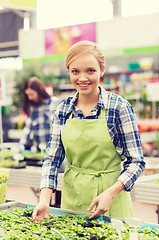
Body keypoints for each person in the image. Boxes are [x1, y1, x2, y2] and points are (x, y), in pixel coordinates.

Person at [32, 41, 145, 221]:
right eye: (75, 71)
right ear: (69, 72)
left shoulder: (119, 108)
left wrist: (111, 192)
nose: (82, 78)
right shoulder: (62, 111)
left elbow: (136, 162)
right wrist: (44, 199)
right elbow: (52, 159)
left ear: (101, 70)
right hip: (73, 198)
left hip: (112, 199)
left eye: (90, 71)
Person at [19, 76, 61, 152]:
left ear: (39, 92)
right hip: (38, 150)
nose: (30, 98)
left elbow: (59, 127)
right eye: (27, 95)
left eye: (32, 94)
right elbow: (28, 129)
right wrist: (20, 146)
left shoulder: (54, 103)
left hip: (54, 151)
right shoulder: (32, 107)